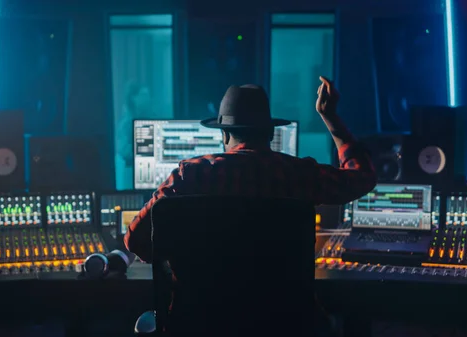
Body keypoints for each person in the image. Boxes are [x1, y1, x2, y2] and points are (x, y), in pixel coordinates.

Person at [125, 76, 377, 262]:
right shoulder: (299, 175)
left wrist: (187, 256)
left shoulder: (191, 175)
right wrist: (330, 116)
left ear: (223, 134)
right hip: (283, 322)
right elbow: (362, 177)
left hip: (202, 322)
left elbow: (135, 240)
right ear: (270, 132)